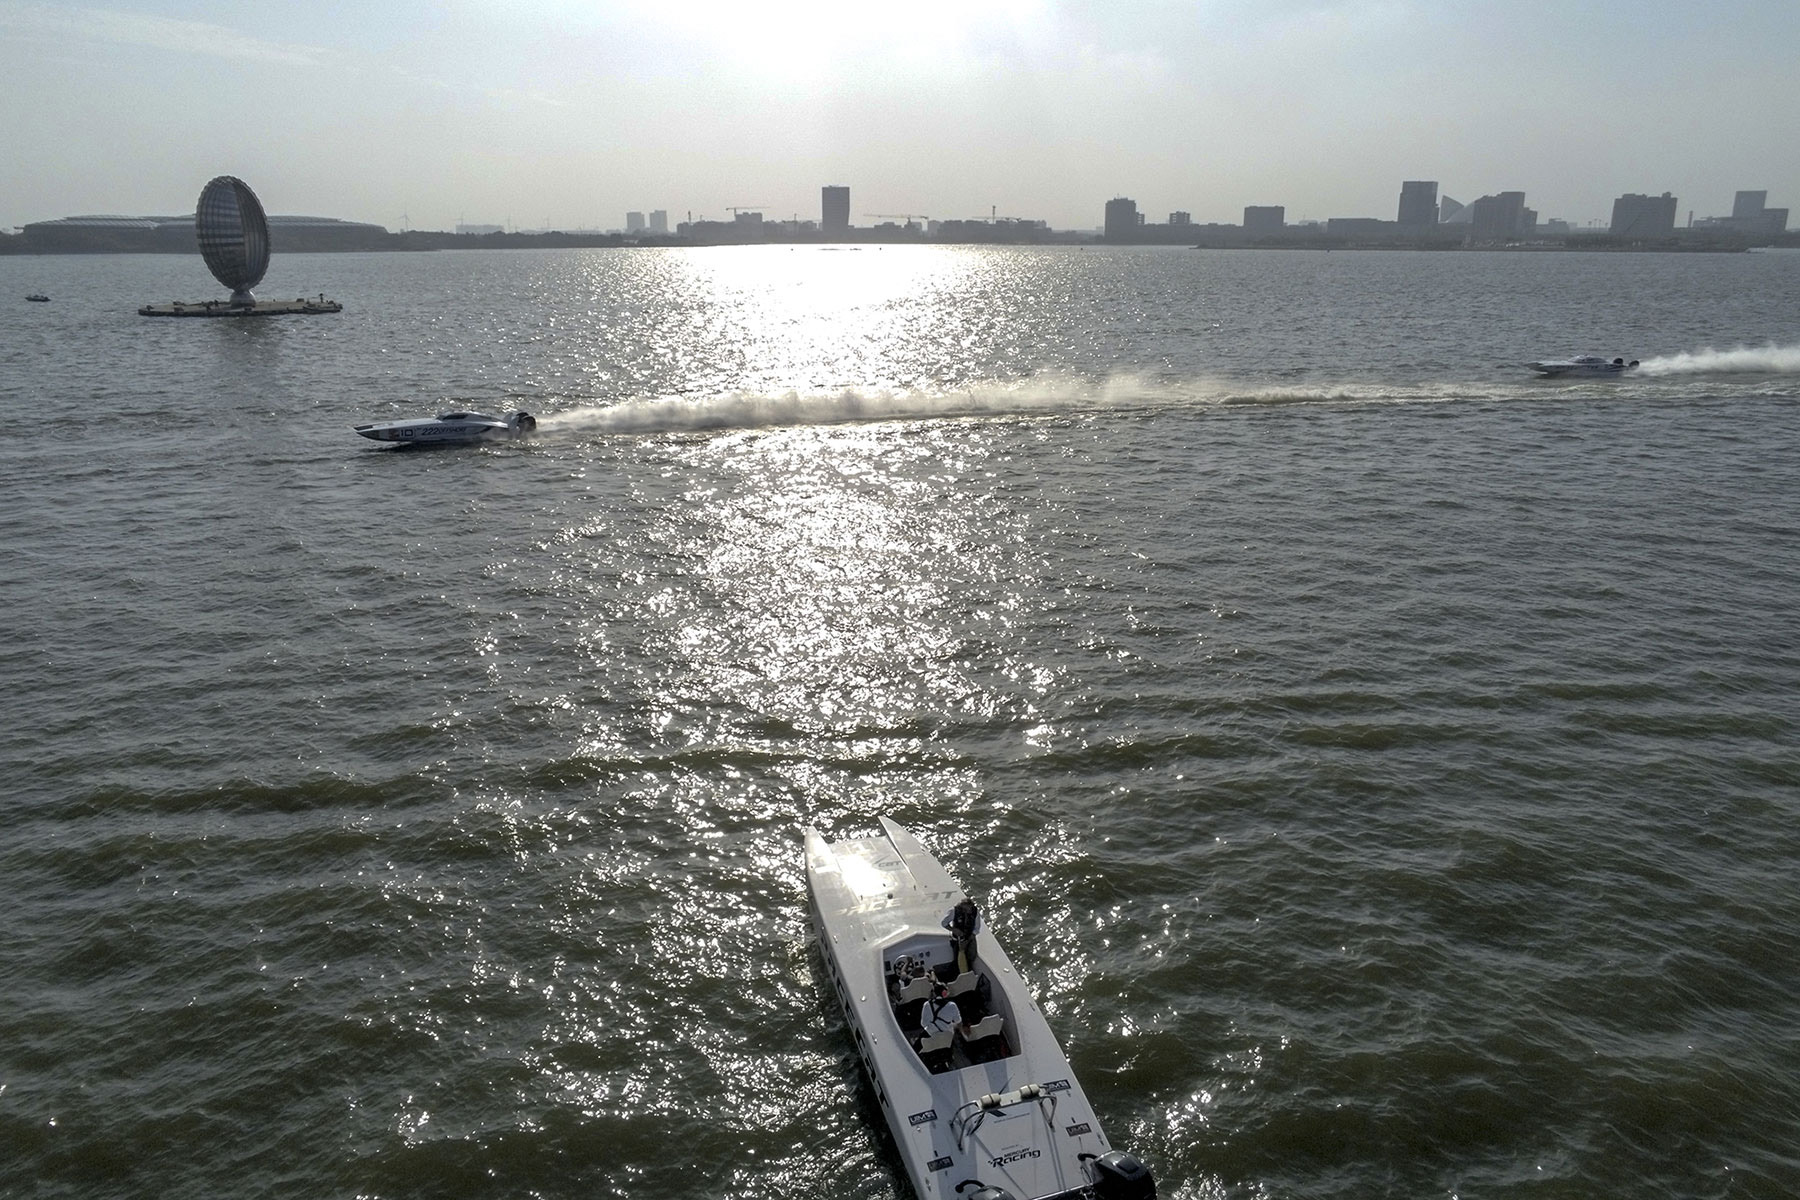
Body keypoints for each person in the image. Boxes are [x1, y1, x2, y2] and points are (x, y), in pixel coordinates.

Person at [941, 896, 982, 974]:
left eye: (970, 909)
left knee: (972, 955)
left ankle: (970, 970)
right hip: (958, 939)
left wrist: (969, 938)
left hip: (969, 937)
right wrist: (953, 929)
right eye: (966, 909)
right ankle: (959, 972)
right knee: (958, 958)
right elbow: (944, 923)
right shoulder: (954, 911)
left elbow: (977, 928)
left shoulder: (975, 911)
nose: (968, 911)